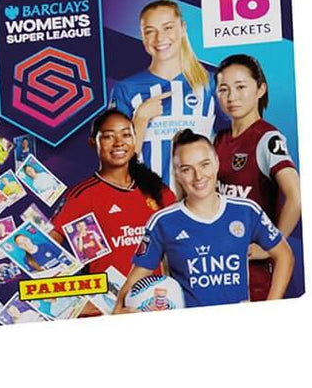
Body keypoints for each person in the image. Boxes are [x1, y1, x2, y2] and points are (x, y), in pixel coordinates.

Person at [114, 130, 293, 311]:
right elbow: (136, 278)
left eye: (204, 165)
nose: (198, 176)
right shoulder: (163, 221)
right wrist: (118, 311)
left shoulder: (246, 210)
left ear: (216, 163)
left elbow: (284, 255)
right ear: (177, 174)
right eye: (187, 169)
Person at [214, 54, 301, 301]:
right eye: (224, 89)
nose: (232, 97)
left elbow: (295, 197)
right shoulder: (218, 140)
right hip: (223, 267)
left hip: (259, 276)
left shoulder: (267, 138)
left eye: (241, 87)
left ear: (260, 89)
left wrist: (271, 245)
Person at [110, 0, 224, 189]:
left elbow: (236, 140)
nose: (159, 38)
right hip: (146, 199)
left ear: (182, 28)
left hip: (200, 200)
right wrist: (140, 119)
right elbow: (115, 161)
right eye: (150, 31)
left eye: (168, 28)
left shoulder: (210, 83)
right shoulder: (126, 89)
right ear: (142, 37)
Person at [51, 109, 176, 276]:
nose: (119, 143)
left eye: (126, 135)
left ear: (135, 139)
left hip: (152, 291)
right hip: (107, 293)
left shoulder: (155, 189)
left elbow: (183, 240)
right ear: (93, 143)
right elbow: (43, 249)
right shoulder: (82, 196)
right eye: (109, 136)